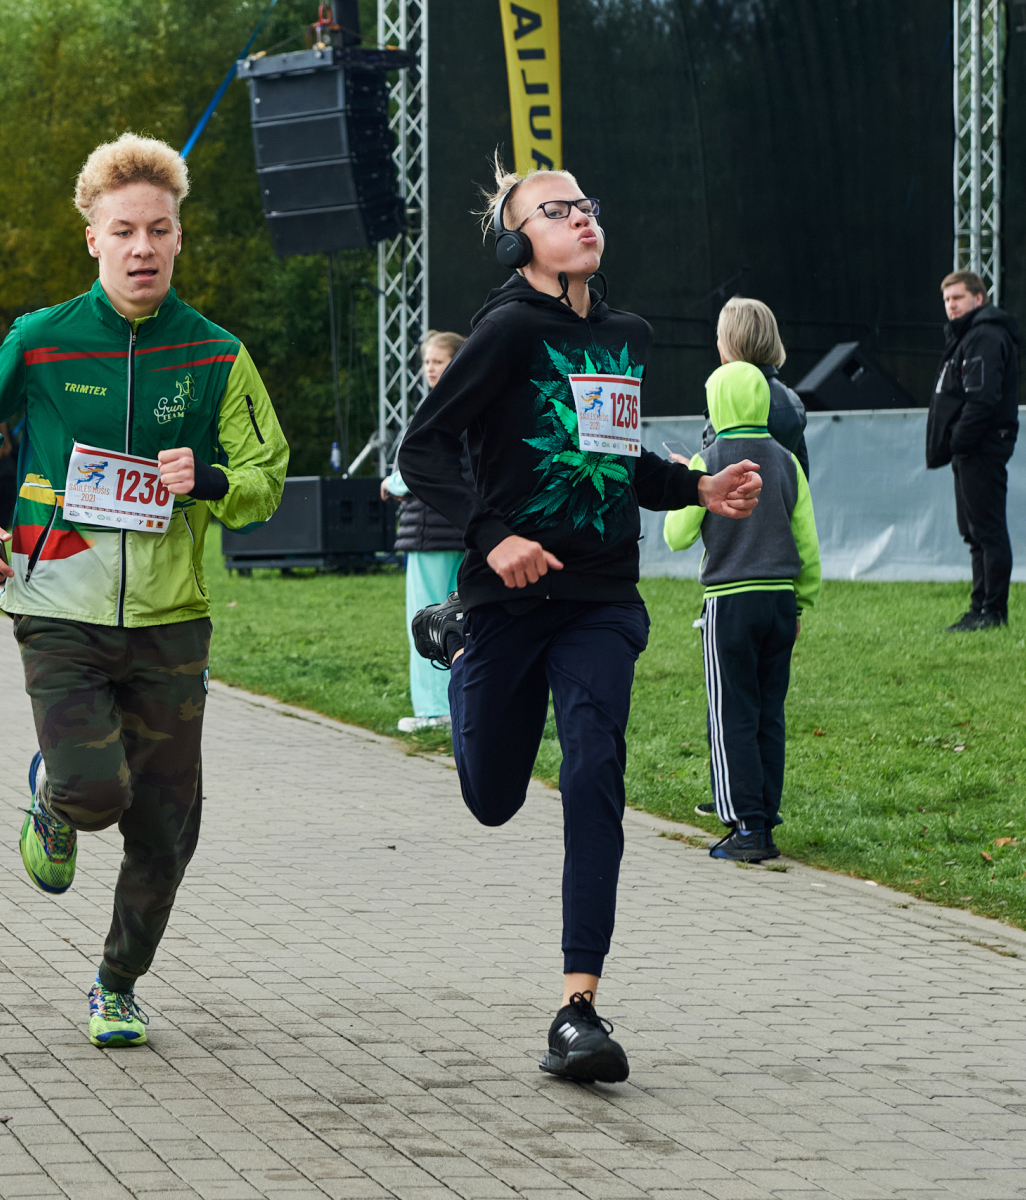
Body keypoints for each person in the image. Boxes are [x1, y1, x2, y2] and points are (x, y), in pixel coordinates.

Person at [399, 160, 762, 1084]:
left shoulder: (625, 335)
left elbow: (615, 455)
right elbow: (423, 447)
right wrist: (493, 537)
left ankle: (579, 1010)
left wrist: (697, 488)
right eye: (554, 211)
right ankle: (458, 639)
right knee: (493, 798)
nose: (580, 219)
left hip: (600, 599)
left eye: (586, 206)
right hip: (507, 601)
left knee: (595, 769)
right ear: (515, 243)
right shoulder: (506, 332)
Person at [0, 133, 289, 1047]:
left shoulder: (217, 354)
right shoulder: (43, 339)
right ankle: (56, 799)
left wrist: (210, 478)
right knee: (96, 790)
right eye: (125, 231)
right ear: (93, 238)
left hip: (173, 620)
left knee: (168, 827)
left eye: (159, 230)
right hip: (57, 603)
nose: (143, 248)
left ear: (179, 238)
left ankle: (117, 985)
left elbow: (266, 476)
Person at [664, 361, 820, 861]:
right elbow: (807, 542)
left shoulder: (706, 460)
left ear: (716, 403)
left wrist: (687, 477)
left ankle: (747, 827)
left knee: (731, 711)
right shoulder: (787, 461)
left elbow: (676, 537)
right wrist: (802, 602)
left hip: (729, 602)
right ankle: (766, 817)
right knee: (768, 712)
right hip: (780, 601)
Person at [382, 330, 468, 733]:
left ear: (455, 362)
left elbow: (417, 462)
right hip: (464, 528)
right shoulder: (479, 402)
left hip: (430, 529)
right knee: (464, 617)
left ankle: (434, 711)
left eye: (437, 361)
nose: (430, 369)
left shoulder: (436, 405)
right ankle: (465, 704)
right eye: (427, 362)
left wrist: (392, 483)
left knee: (427, 617)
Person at [926, 270, 1018, 632]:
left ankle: (992, 612)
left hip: (981, 448)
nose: (951, 306)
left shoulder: (985, 335)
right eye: (947, 300)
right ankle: (980, 609)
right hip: (971, 448)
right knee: (975, 532)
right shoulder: (969, 336)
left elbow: (982, 399)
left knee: (988, 531)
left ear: (978, 298)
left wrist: (958, 440)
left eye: (958, 298)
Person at [700, 298, 810, 478]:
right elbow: (801, 477)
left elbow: (715, 473)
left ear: (728, 345)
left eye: (719, 337)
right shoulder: (793, 400)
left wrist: (693, 473)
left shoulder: (728, 398)